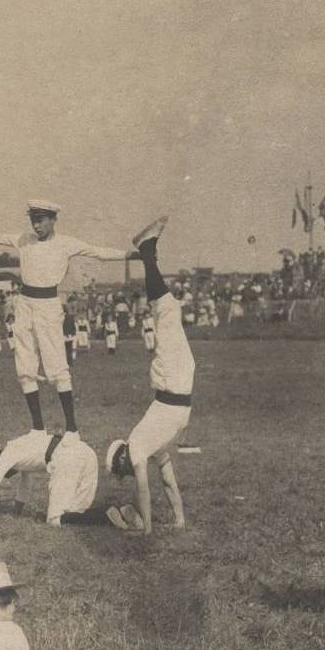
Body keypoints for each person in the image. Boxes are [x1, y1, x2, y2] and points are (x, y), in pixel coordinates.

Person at [0, 205, 129, 433]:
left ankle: (71, 429)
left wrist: (133, 255)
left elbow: (99, 252)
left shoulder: (66, 243)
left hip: (48, 305)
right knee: (25, 368)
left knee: (57, 366)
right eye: (33, 221)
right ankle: (37, 428)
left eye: (41, 220)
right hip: (24, 304)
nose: (36, 226)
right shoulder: (24, 240)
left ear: (54, 219)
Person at [102, 219, 194, 537]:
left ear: (122, 455)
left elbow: (144, 489)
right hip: (180, 389)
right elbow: (166, 480)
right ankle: (147, 250)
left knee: (166, 311)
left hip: (170, 384)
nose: (128, 472)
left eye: (122, 469)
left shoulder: (138, 444)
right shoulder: (151, 447)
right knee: (169, 312)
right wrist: (178, 519)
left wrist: (147, 529)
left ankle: (147, 248)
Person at [0, 430, 100, 527]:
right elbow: (25, 483)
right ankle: (107, 514)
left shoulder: (6, 457)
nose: (7, 477)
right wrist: (17, 511)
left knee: (54, 520)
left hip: (67, 458)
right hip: (86, 451)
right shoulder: (18, 449)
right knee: (76, 510)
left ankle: (105, 516)